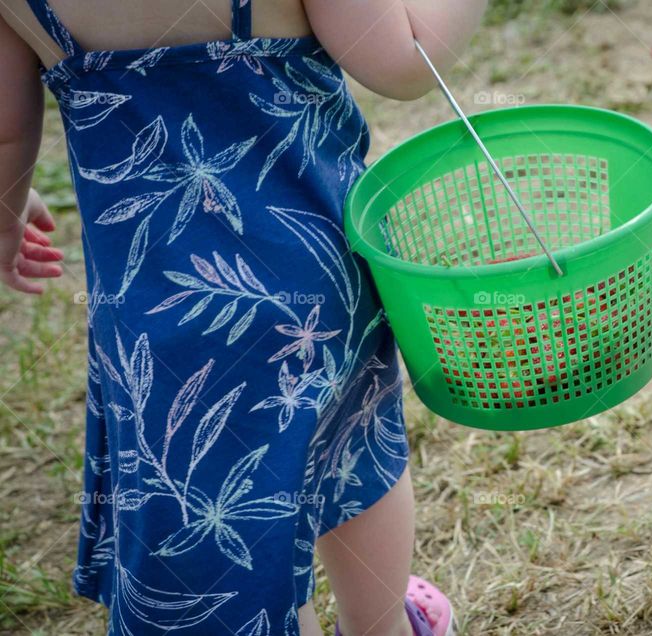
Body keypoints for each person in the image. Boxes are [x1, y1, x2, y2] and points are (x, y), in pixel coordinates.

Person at [0, 1, 487, 634]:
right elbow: (404, 59)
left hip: (153, 312)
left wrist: (8, 213)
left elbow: (6, 129)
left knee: (241, 532)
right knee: (353, 442)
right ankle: (384, 625)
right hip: (311, 274)